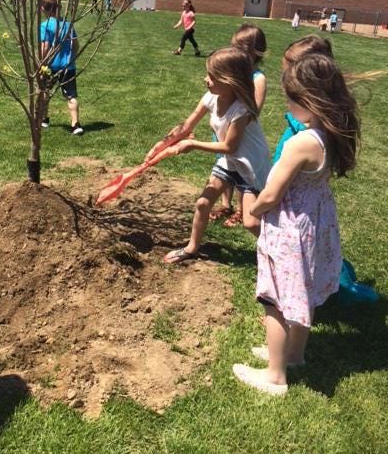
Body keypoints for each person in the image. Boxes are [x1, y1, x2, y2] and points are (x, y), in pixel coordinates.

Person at [233, 54, 360, 396]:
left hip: (288, 228)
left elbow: (272, 194)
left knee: (274, 299)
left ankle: (274, 376)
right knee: (304, 292)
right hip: (313, 224)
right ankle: (294, 355)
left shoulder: (300, 143)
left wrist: (254, 209)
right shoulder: (327, 135)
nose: (287, 105)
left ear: (310, 99)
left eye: (291, 98)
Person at [145, 47, 271, 264]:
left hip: (250, 164)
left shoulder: (241, 110)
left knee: (251, 222)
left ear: (230, 81)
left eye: (212, 76)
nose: (206, 79)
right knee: (203, 204)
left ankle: (283, 252)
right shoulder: (211, 97)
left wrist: (193, 144)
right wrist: (162, 144)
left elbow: (230, 146)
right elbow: (186, 126)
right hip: (229, 162)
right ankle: (192, 248)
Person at [210, 24, 267, 227]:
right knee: (224, 164)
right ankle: (226, 204)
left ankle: (242, 209)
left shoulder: (257, 78)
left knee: (242, 170)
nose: (238, 52)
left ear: (256, 51)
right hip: (223, 131)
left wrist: (236, 123)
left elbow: (254, 109)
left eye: (243, 48)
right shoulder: (232, 72)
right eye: (235, 46)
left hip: (239, 134)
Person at [39, 0, 84, 134]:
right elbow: (76, 44)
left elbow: (45, 47)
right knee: (71, 96)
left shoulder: (45, 26)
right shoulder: (68, 25)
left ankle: (44, 119)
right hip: (68, 67)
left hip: (50, 66)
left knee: (45, 91)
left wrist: (42, 63)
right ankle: (75, 124)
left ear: (43, 9)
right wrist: (71, 59)